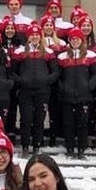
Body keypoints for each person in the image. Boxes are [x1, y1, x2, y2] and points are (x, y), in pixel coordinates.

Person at [12, 24, 59, 158]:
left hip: (42, 91)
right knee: (26, 119)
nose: (34, 37)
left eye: (37, 35)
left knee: (39, 119)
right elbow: (13, 73)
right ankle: (25, 146)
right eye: (32, 35)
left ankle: (37, 146)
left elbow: (55, 72)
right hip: (25, 91)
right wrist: (21, 81)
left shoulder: (48, 52)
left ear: (40, 36)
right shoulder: (20, 52)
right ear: (28, 37)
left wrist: (46, 80)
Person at [56, 27, 96, 159]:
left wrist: (89, 86)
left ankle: (81, 149)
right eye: (72, 39)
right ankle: (70, 148)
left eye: (77, 39)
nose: (75, 41)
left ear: (82, 41)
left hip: (84, 96)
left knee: (82, 123)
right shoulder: (62, 56)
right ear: (69, 41)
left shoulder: (91, 56)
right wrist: (63, 88)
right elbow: (58, 76)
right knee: (68, 123)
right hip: (67, 96)